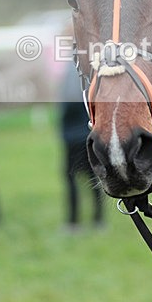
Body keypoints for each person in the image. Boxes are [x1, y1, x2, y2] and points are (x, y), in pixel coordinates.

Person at [59, 60, 104, 232]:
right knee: (94, 175)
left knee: (74, 177)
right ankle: (98, 219)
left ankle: (74, 222)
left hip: (76, 135)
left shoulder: (75, 68)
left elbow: (71, 102)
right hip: (84, 132)